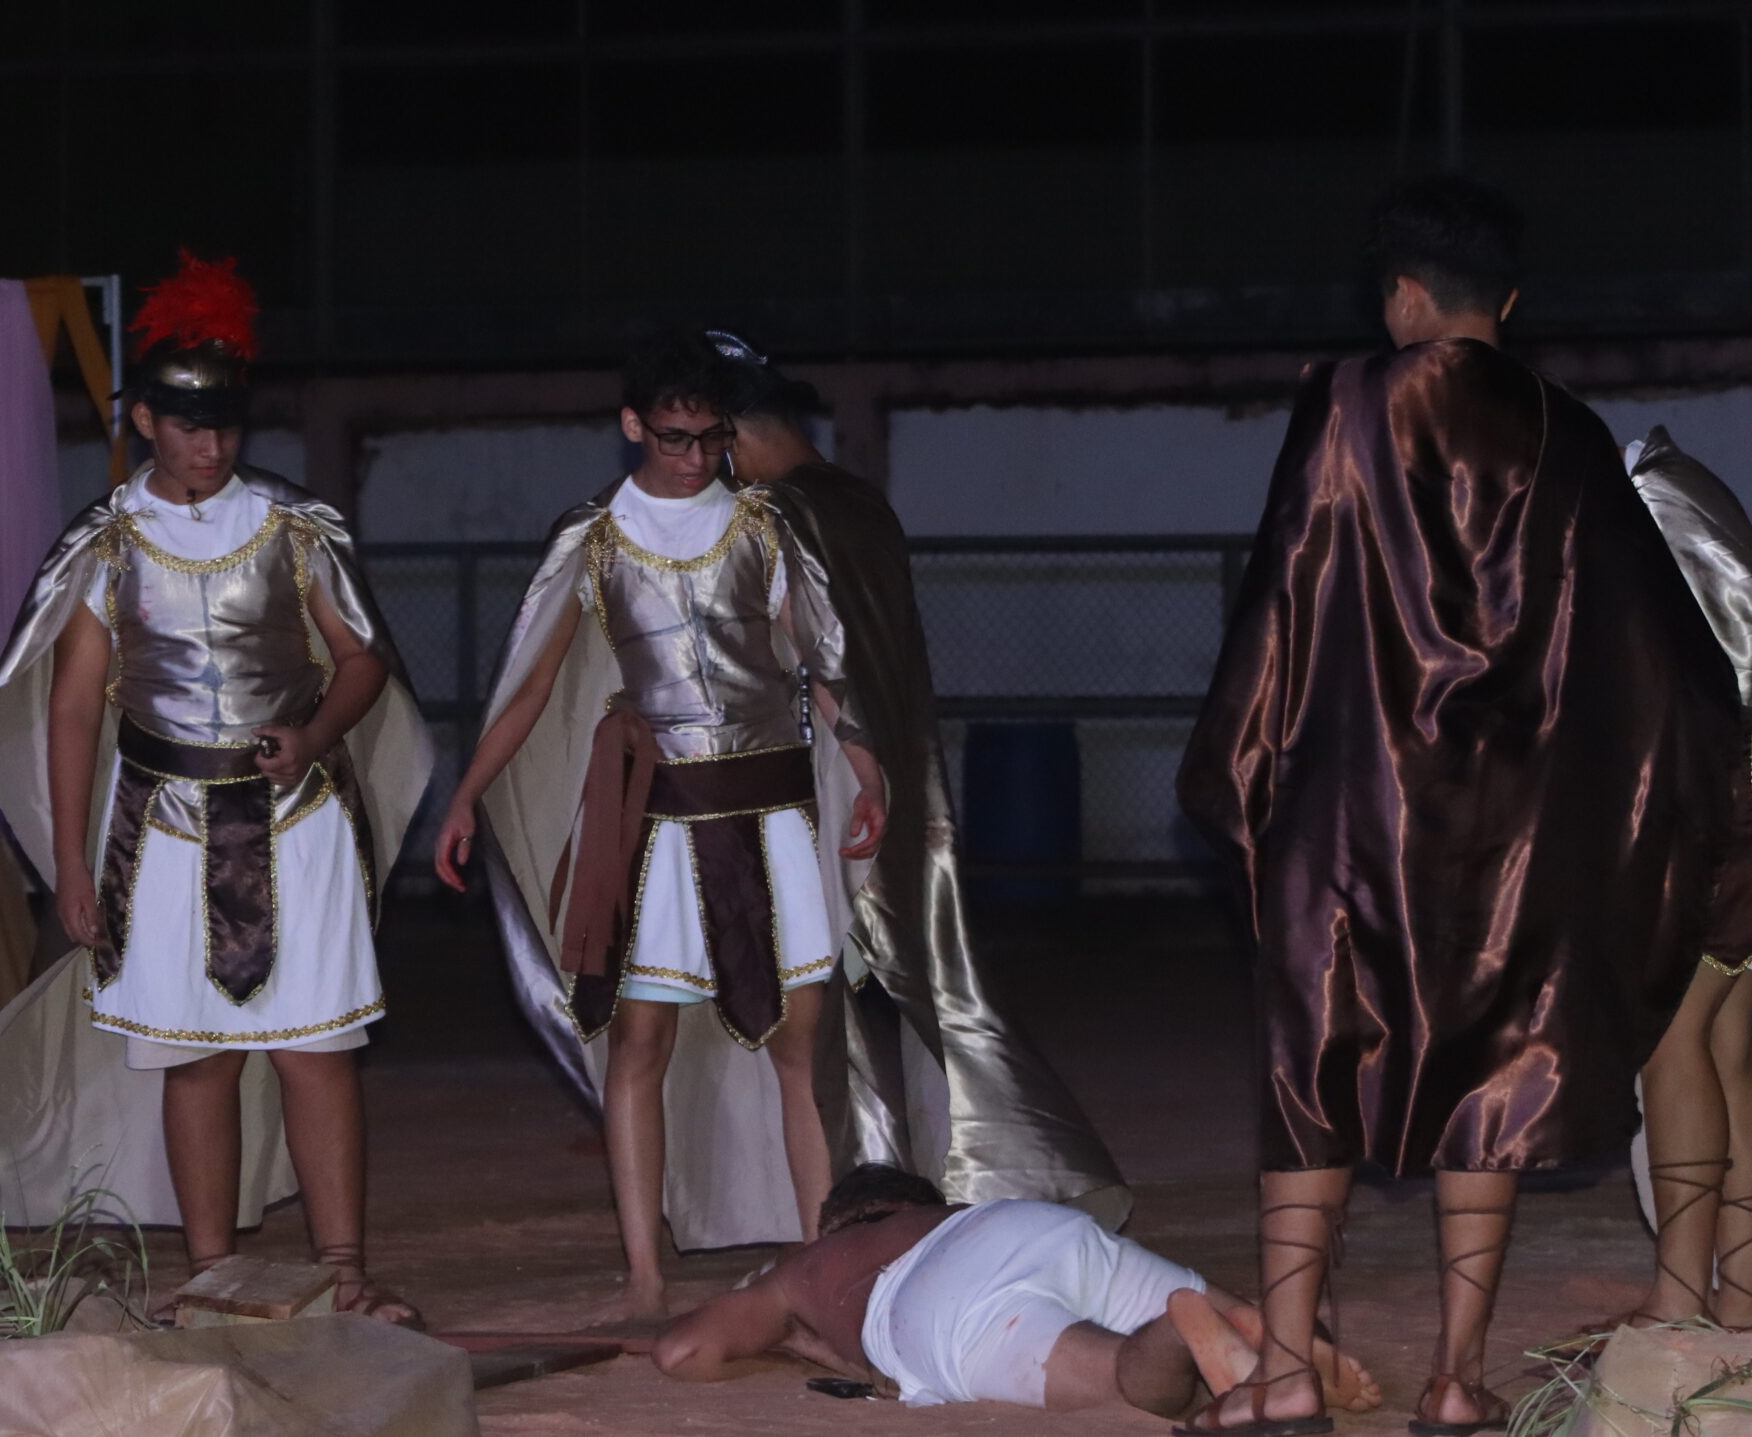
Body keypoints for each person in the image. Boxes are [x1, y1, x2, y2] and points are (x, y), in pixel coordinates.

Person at [1178, 179, 1752, 1434]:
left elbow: (1282, 594)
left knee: (1309, 1069)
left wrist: (1237, 774)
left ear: (1399, 296)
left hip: (1346, 814)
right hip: (1512, 827)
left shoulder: (1345, 403)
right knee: (1488, 1077)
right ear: (1509, 300)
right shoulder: (1569, 431)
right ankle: (1452, 1377)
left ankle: (1285, 1372)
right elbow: (1652, 648)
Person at [433, 333, 1125, 1324]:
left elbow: (819, 658)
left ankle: (816, 1264)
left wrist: (866, 767)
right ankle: (644, 1275)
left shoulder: (765, 524)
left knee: (803, 1048)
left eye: (711, 437)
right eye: (673, 438)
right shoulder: (592, 539)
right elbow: (533, 682)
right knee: (639, 1043)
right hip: (661, 828)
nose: (694, 458)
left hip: (769, 816)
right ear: (632, 426)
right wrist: (468, 792)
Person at [0, 255, 434, 1323]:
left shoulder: (295, 527)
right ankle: (211, 1274)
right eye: (190, 425)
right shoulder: (107, 545)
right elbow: (72, 709)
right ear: (144, 420)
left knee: (317, 1052)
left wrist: (313, 733)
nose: (212, 446)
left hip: (296, 823)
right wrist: (67, 864)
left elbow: (364, 660)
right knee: (196, 1063)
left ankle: (342, 1269)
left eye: (227, 425)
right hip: (160, 831)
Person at [652, 1163, 1382, 1420]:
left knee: (1126, 1376)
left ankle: (1173, 1332)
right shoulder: (948, 1210)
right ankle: (1265, 1341)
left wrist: (798, 1337)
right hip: (1028, 1223)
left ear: (836, 1224)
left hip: (940, 1302)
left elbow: (683, 1351)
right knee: (1229, 1305)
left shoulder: (813, 1264)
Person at [1625, 427, 1752, 1329]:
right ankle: (1742, 1293)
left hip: (1720, 797)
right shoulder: (1689, 489)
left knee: (1672, 1044)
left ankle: (1678, 1300)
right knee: (1731, 1052)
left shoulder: (1646, 503)